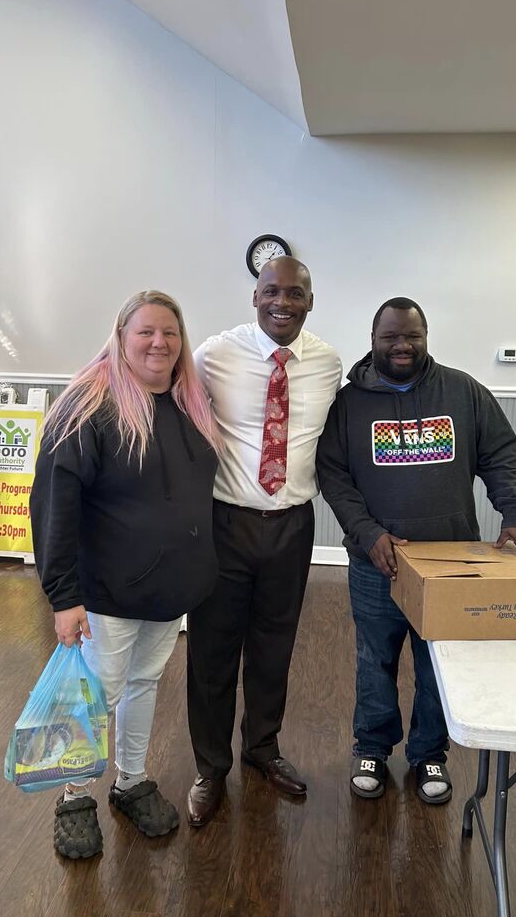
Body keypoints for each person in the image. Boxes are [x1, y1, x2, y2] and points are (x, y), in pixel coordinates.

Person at [316, 297, 516, 805]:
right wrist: (366, 532)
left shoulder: (464, 391)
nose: (402, 346)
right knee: (374, 658)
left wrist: (514, 513)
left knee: (437, 663)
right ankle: (372, 748)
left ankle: (430, 753)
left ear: (425, 337)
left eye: (412, 336)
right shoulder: (348, 403)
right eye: (391, 337)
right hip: (376, 562)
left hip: (452, 562)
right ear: (373, 339)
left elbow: (499, 453)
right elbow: (334, 477)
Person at [30, 290, 220, 859]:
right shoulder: (88, 406)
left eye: (170, 332)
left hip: (168, 589)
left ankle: (130, 779)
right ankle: (73, 795)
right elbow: (54, 506)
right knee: (97, 694)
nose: (159, 342)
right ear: (120, 337)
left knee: (141, 685)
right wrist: (64, 598)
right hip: (105, 591)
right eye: (145, 332)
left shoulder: (189, 402)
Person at [185, 256, 342, 827]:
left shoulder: (327, 363)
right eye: (272, 291)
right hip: (225, 524)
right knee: (212, 653)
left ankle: (262, 750)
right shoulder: (213, 355)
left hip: (292, 527)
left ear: (310, 301)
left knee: (274, 648)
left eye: (295, 293)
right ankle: (209, 768)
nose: (283, 302)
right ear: (254, 297)